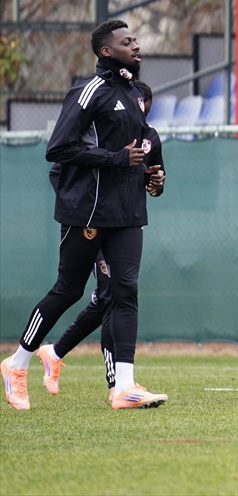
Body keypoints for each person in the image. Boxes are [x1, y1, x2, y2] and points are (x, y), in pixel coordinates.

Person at [2, 20, 167, 410]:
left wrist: (152, 178)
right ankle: (17, 363)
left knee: (125, 292)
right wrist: (116, 159)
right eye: (127, 42)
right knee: (68, 290)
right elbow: (58, 148)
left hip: (127, 213)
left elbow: (138, 152)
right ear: (106, 51)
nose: (136, 45)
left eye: (136, 39)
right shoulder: (89, 90)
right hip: (88, 211)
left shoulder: (133, 94)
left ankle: (123, 387)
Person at [36, 80, 165, 398]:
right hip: (91, 223)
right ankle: (114, 381)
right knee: (101, 295)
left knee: (114, 296)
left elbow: (156, 181)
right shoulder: (100, 135)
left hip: (125, 225)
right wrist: (80, 205)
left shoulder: (150, 139)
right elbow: (58, 171)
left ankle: (58, 355)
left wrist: (156, 183)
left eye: (140, 104)